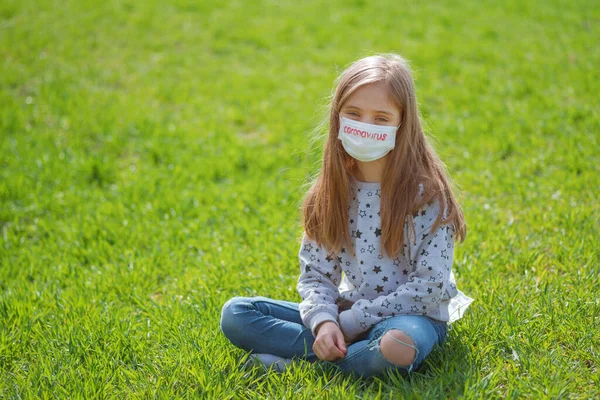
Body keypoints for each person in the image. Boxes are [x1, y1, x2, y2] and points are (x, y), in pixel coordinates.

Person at [220, 53, 474, 378]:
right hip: (346, 312)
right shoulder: (330, 191)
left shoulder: (425, 195)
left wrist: (354, 322)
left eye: (381, 118)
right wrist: (325, 323)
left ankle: (300, 366)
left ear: (403, 122)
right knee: (237, 314)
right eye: (354, 113)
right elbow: (317, 276)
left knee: (398, 346)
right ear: (337, 117)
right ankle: (343, 355)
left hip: (413, 318)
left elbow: (430, 285)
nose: (366, 126)